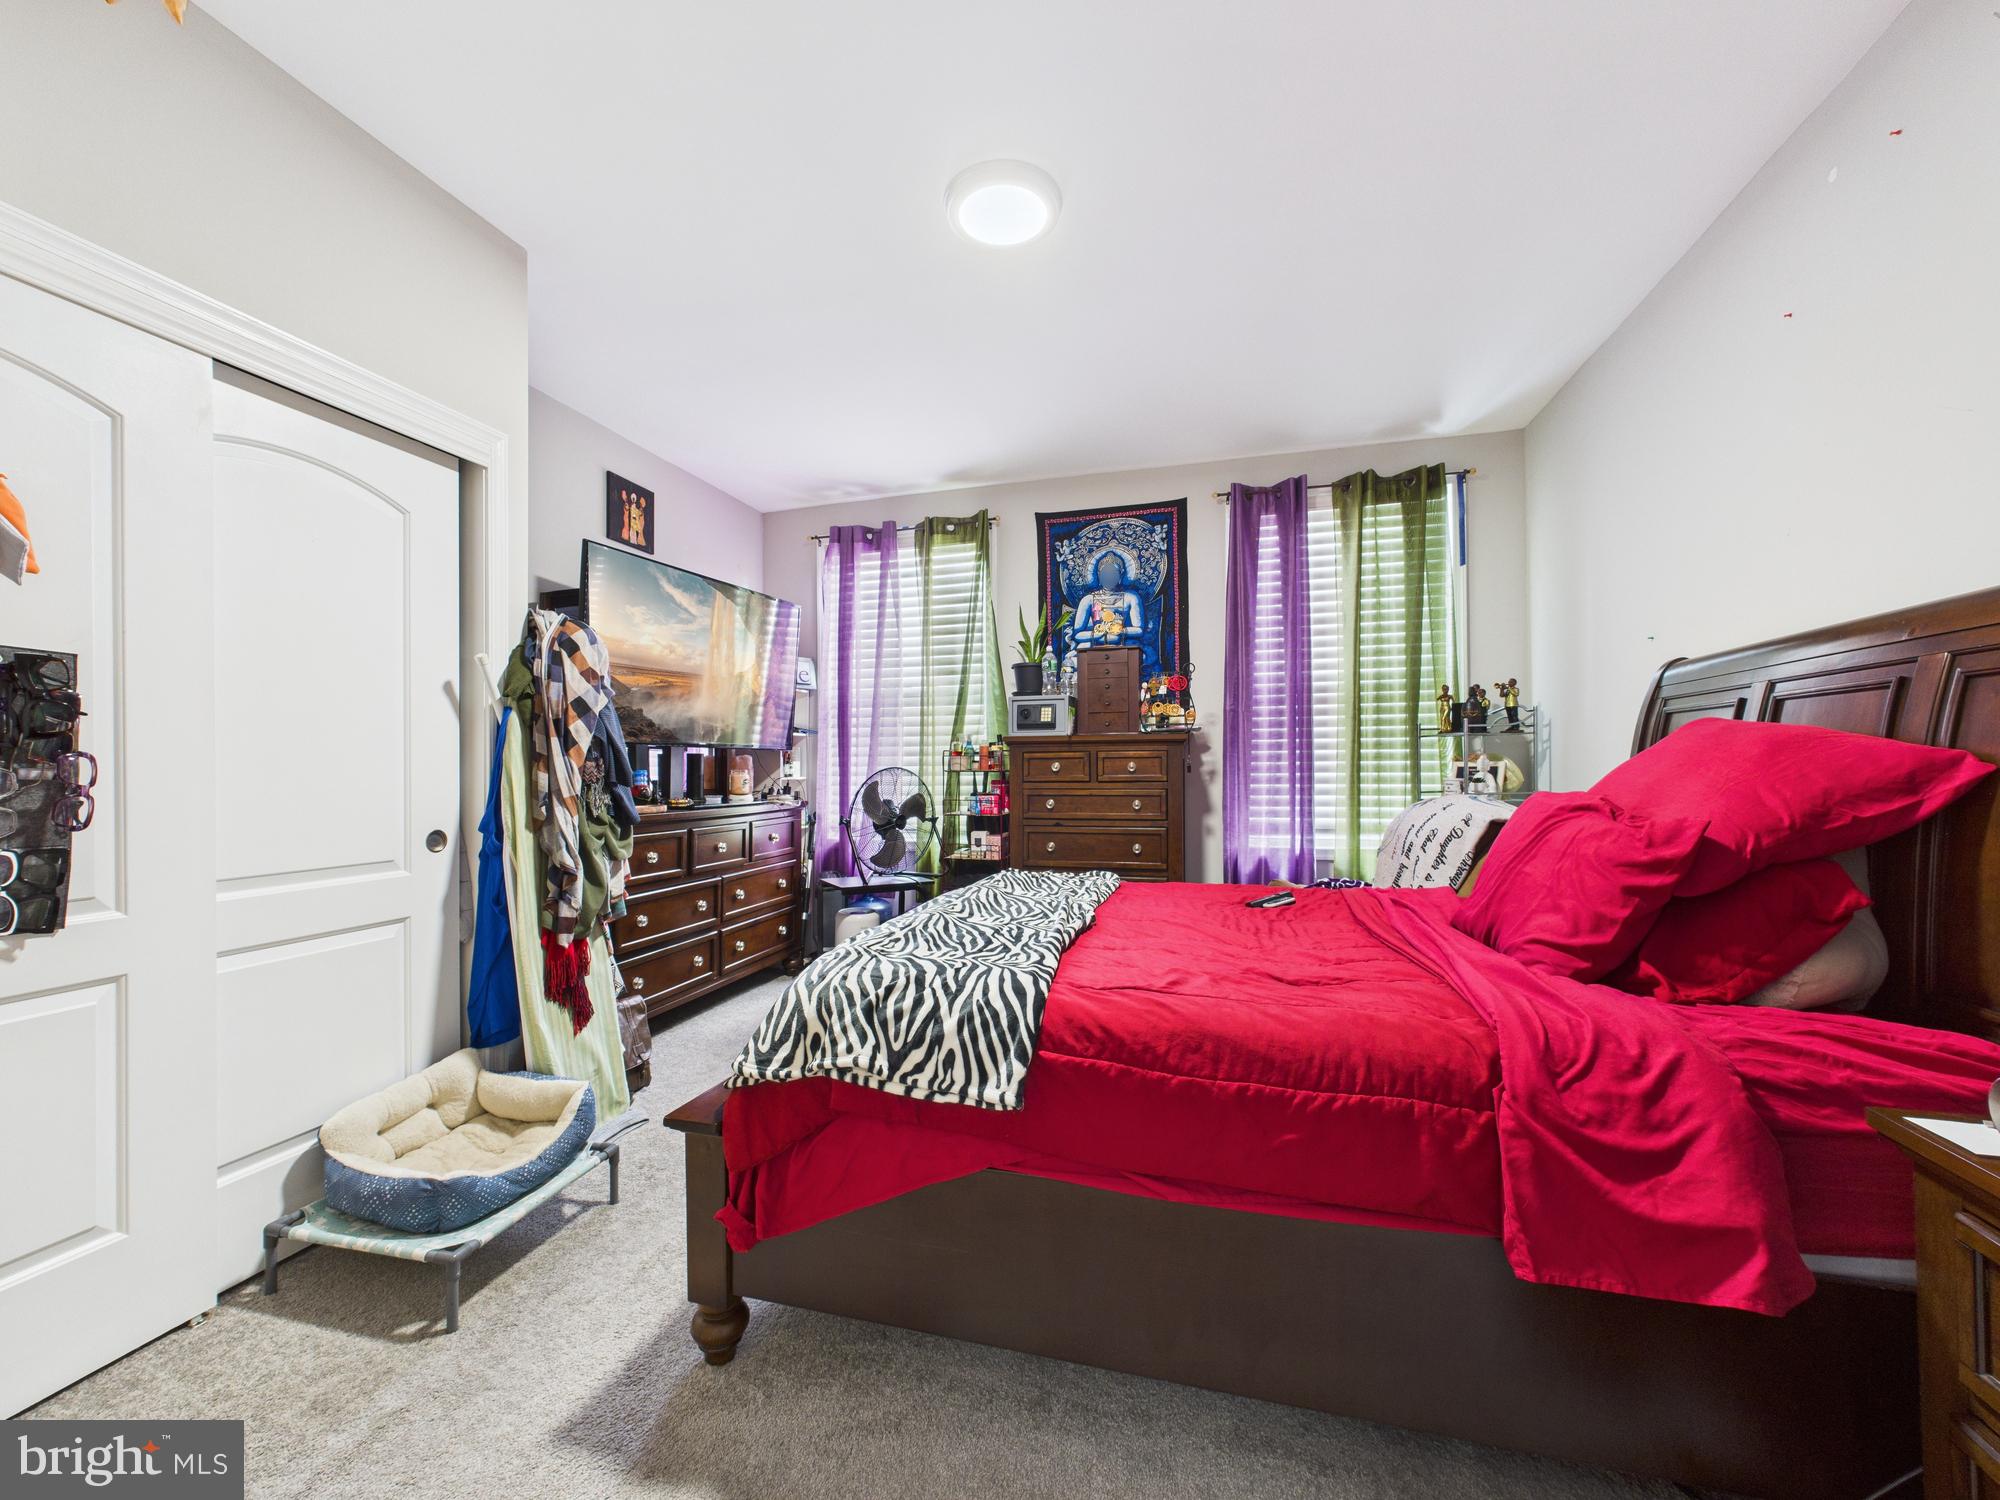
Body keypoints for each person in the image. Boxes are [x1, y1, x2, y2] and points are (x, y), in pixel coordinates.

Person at [1073, 552, 1145, 653]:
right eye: (1105, 573)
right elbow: (1077, 634)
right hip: (1096, 643)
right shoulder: (1088, 599)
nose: (1109, 576)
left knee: (1135, 651)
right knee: (1081, 649)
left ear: (1121, 574)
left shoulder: (1131, 598)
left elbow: (1139, 630)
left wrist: (1119, 630)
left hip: (1122, 644)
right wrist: (1098, 633)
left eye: (1113, 573)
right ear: (1098, 574)